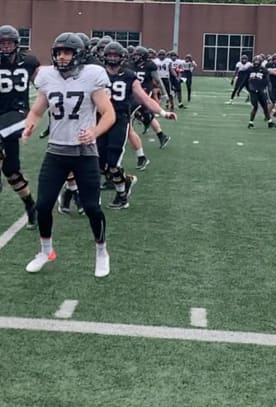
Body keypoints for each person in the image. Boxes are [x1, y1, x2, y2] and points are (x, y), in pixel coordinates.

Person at [22, 32, 116, 277]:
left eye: (67, 52)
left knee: (92, 207)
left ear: (79, 53)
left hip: (84, 153)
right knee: (43, 205)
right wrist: (30, 124)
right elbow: (37, 109)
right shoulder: (48, 77)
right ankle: (46, 251)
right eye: (58, 52)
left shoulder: (92, 76)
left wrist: (94, 131)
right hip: (56, 149)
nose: (61, 56)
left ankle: (102, 251)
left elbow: (109, 114)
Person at [0, 25, 40, 228]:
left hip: (21, 114)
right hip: (1, 117)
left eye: (9, 42)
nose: (6, 45)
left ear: (16, 43)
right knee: (11, 170)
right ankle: (31, 207)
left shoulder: (28, 60)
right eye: (2, 42)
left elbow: (42, 84)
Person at [99, 42, 176, 209]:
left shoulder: (129, 76)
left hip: (119, 120)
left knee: (113, 162)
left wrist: (163, 113)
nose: (112, 58)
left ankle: (121, 196)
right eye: (109, 55)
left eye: (115, 55)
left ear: (121, 57)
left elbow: (145, 98)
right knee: (99, 164)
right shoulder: (97, 74)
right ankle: (126, 181)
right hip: (100, 120)